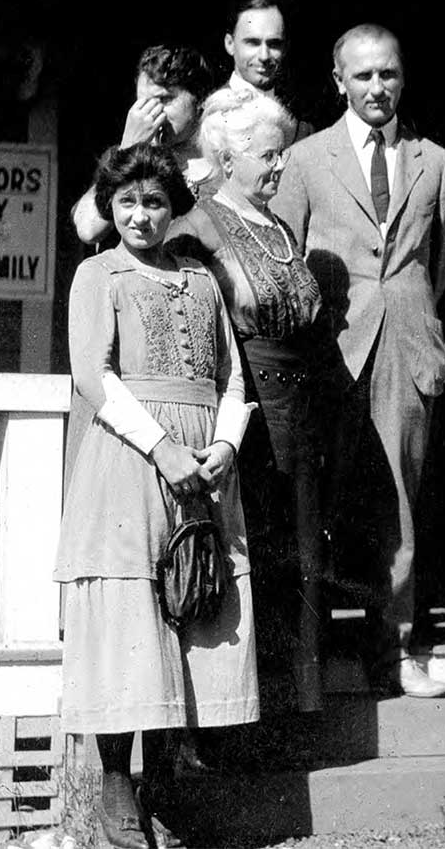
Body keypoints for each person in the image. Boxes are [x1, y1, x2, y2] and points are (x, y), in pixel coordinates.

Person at [54, 144, 254, 849]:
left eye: (156, 202)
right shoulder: (99, 274)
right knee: (128, 619)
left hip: (202, 469)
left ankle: (162, 787)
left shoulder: (199, 279)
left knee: (187, 610)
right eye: (127, 202)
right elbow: (94, 375)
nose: (141, 215)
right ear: (110, 207)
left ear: (175, 208)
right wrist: (163, 448)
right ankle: (116, 786)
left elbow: (232, 376)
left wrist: (224, 445)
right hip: (129, 459)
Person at [270, 23, 445, 699]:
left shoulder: (433, 160)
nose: (377, 87)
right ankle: (311, 658)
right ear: (338, 80)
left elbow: (441, 257)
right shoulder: (305, 158)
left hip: (404, 346)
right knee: (320, 498)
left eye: (389, 74)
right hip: (330, 348)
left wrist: (410, 314)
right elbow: (282, 255)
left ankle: (398, 650)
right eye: (363, 75)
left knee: (398, 500)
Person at [169, 88, 329, 715]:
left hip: (300, 412)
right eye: (268, 155)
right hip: (247, 412)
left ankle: (296, 712)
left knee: (298, 560)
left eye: (282, 153)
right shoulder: (200, 224)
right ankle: (244, 721)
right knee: (253, 558)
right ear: (229, 160)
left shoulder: (278, 225)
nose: (280, 165)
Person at [71, 45, 218, 244]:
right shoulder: (120, 156)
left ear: (200, 97)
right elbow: (88, 230)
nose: (151, 112)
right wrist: (128, 148)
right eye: (143, 102)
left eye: (164, 99)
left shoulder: (226, 162)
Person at [204, 0, 316, 141]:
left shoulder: (302, 124)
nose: (264, 56)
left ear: (285, 47)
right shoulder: (210, 113)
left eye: (274, 44)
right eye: (253, 43)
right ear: (230, 44)